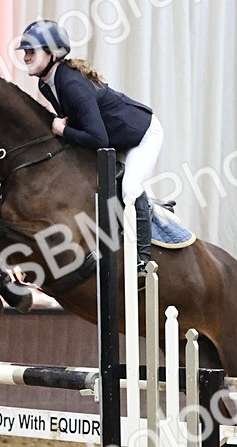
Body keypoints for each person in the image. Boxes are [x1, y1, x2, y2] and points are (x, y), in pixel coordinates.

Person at [18, 19, 163, 280]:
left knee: (130, 188)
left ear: (52, 54)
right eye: (25, 52)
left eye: (32, 51)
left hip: (141, 135)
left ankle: (143, 262)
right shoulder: (46, 83)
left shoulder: (71, 84)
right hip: (114, 139)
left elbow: (98, 139)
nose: (26, 57)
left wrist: (63, 131)